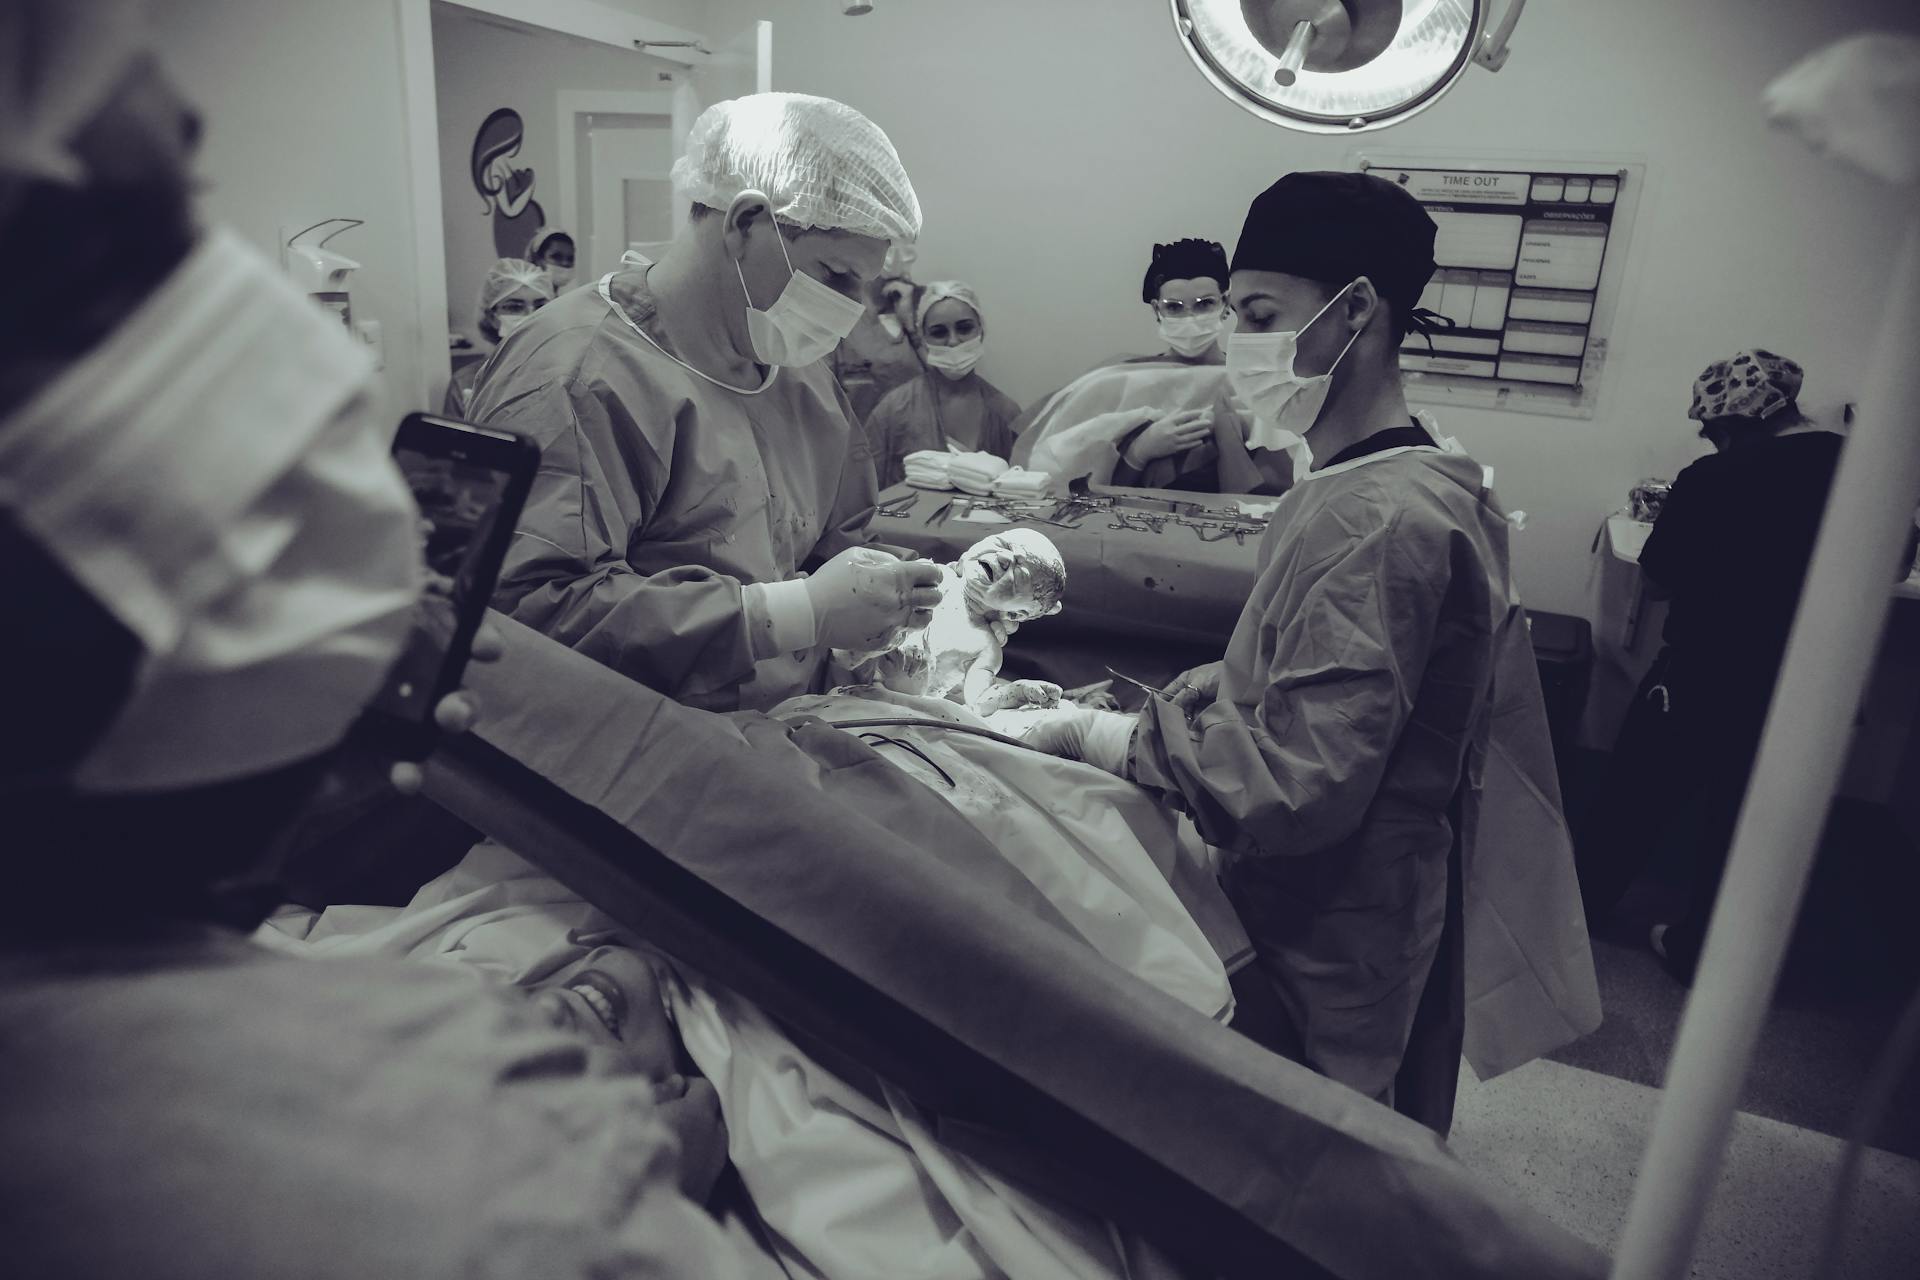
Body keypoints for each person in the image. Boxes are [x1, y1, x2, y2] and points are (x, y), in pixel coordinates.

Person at [0, 8, 745, 1273]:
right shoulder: (503, 1165)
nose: (318, 353)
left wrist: (256, 821)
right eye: (122, 249)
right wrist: (643, 1173)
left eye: (193, 192)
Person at [1016, 172, 1598, 1131]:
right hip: (1349, 902)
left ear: (1356, 309)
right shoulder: (1379, 479)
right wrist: (1216, 684)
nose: (1239, 342)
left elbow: (1296, 786)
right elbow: (1338, 676)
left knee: (1306, 1159)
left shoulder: (1380, 519)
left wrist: (1105, 740)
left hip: (1331, 930)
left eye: (1258, 312)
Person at [467, 93, 943, 712]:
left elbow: (834, 538)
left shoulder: (794, 370)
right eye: (835, 276)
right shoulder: (576, 375)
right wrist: (789, 615)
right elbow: (526, 616)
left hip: (790, 725)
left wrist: (894, 591)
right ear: (745, 223)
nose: (852, 311)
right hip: (640, 753)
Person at [1574, 352, 1896, 981]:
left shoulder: (1715, 478)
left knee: (1630, 801)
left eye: (1709, 424)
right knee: (1748, 822)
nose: (1705, 436)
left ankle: (1578, 914)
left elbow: (1660, 577)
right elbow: (1890, 562)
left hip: (1705, 677)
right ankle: (1704, 950)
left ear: (1739, 420)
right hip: (1812, 688)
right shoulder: (1865, 471)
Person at [861, 280, 1022, 488]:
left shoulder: (1006, 414)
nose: (953, 341)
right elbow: (863, 492)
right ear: (923, 337)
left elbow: (1019, 493)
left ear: (981, 331)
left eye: (964, 328)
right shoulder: (892, 412)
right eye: (939, 332)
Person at [443, 256, 553, 416]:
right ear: (491, 316)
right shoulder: (466, 384)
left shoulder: (569, 376)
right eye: (514, 307)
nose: (531, 316)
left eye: (540, 306)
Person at [829, 239, 924, 423]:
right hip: (858, 438)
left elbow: (946, 379)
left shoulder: (921, 306)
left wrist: (912, 326)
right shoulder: (843, 311)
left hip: (915, 436)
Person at [526, 224, 577, 290]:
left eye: (570, 259)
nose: (565, 263)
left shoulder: (563, 298)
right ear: (537, 259)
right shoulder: (525, 297)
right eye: (556, 257)